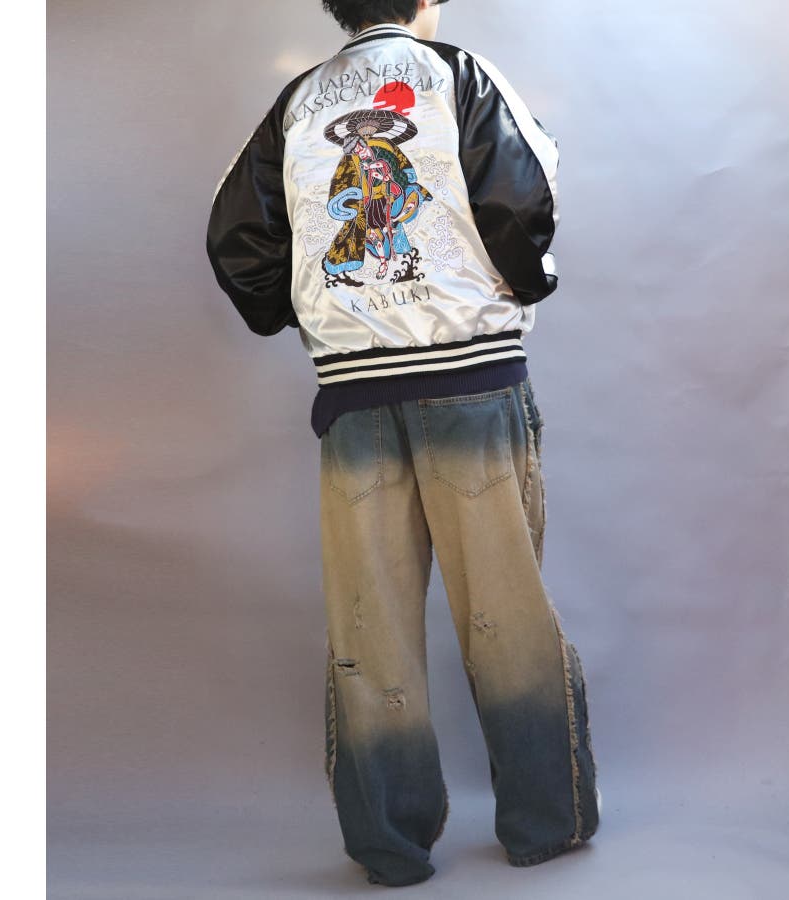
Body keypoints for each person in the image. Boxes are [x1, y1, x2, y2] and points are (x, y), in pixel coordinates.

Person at [205, 0, 601, 886]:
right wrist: (526, 282)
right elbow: (523, 194)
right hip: (471, 380)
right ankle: (546, 820)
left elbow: (237, 234)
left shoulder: (295, 102)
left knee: (369, 623)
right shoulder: (460, 75)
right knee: (507, 615)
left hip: (355, 396)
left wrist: (305, 314)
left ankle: (389, 842)